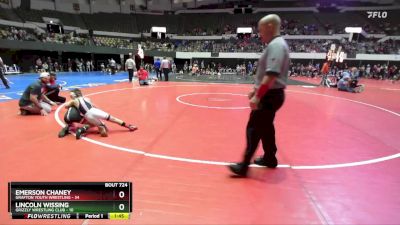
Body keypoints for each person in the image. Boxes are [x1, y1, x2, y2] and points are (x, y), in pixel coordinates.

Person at [228, 14, 290, 177]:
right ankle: (270, 158)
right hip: (273, 94)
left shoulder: (276, 45)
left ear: (270, 26)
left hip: (269, 95)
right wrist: (255, 90)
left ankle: (244, 166)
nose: (259, 34)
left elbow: (271, 74)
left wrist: (257, 96)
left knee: (253, 128)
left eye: (261, 30)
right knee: (266, 127)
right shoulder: (276, 44)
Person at [63, 88, 138, 139]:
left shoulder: (73, 101)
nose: (70, 95)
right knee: (112, 119)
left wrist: (72, 105)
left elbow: (65, 106)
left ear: (75, 94)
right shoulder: (87, 98)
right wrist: (101, 111)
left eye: (71, 94)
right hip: (94, 110)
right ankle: (128, 126)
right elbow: (93, 105)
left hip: (88, 115)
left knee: (100, 125)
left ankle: (101, 127)